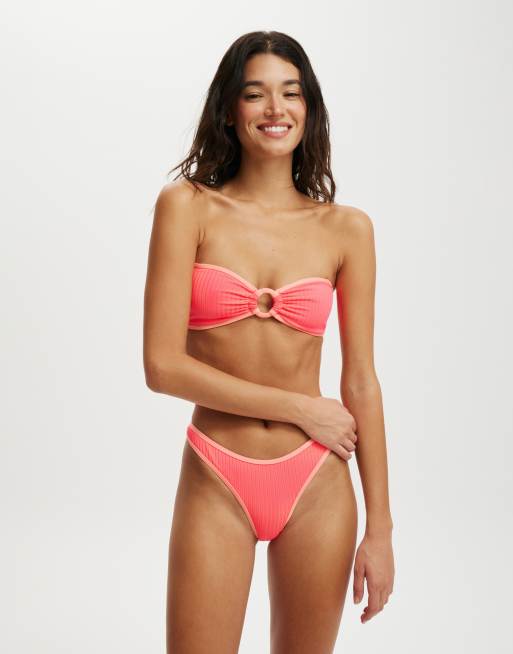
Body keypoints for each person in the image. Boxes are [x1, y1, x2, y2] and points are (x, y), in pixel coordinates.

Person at [143, 30, 394, 654]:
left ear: (309, 109)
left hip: (318, 482)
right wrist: (300, 408)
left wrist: (381, 529)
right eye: (255, 94)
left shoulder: (347, 229)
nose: (275, 109)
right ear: (230, 109)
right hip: (216, 471)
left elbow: (360, 378)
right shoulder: (187, 207)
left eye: (291, 93)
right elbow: (162, 366)